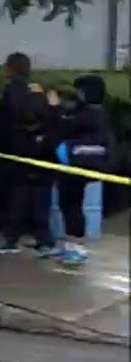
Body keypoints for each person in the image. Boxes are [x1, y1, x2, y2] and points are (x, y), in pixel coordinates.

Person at [0, 52, 57, 255]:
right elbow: (47, 115)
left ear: (11, 68)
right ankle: (43, 239)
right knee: (39, 195)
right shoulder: (37, 89)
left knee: (20, 195)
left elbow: (13, 115)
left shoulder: (14, 89)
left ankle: (13, 238)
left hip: (21, 148)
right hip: (41, 149)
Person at [49, 75, 111, 266]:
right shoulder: (89, 111)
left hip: (79, 163)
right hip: (74, 164)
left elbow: (67, 125)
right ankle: (70, 245)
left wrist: (55, 107)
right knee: (68, 204)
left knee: (73, 205)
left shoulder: (94, 113)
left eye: (80, 91)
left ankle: (77, 246)